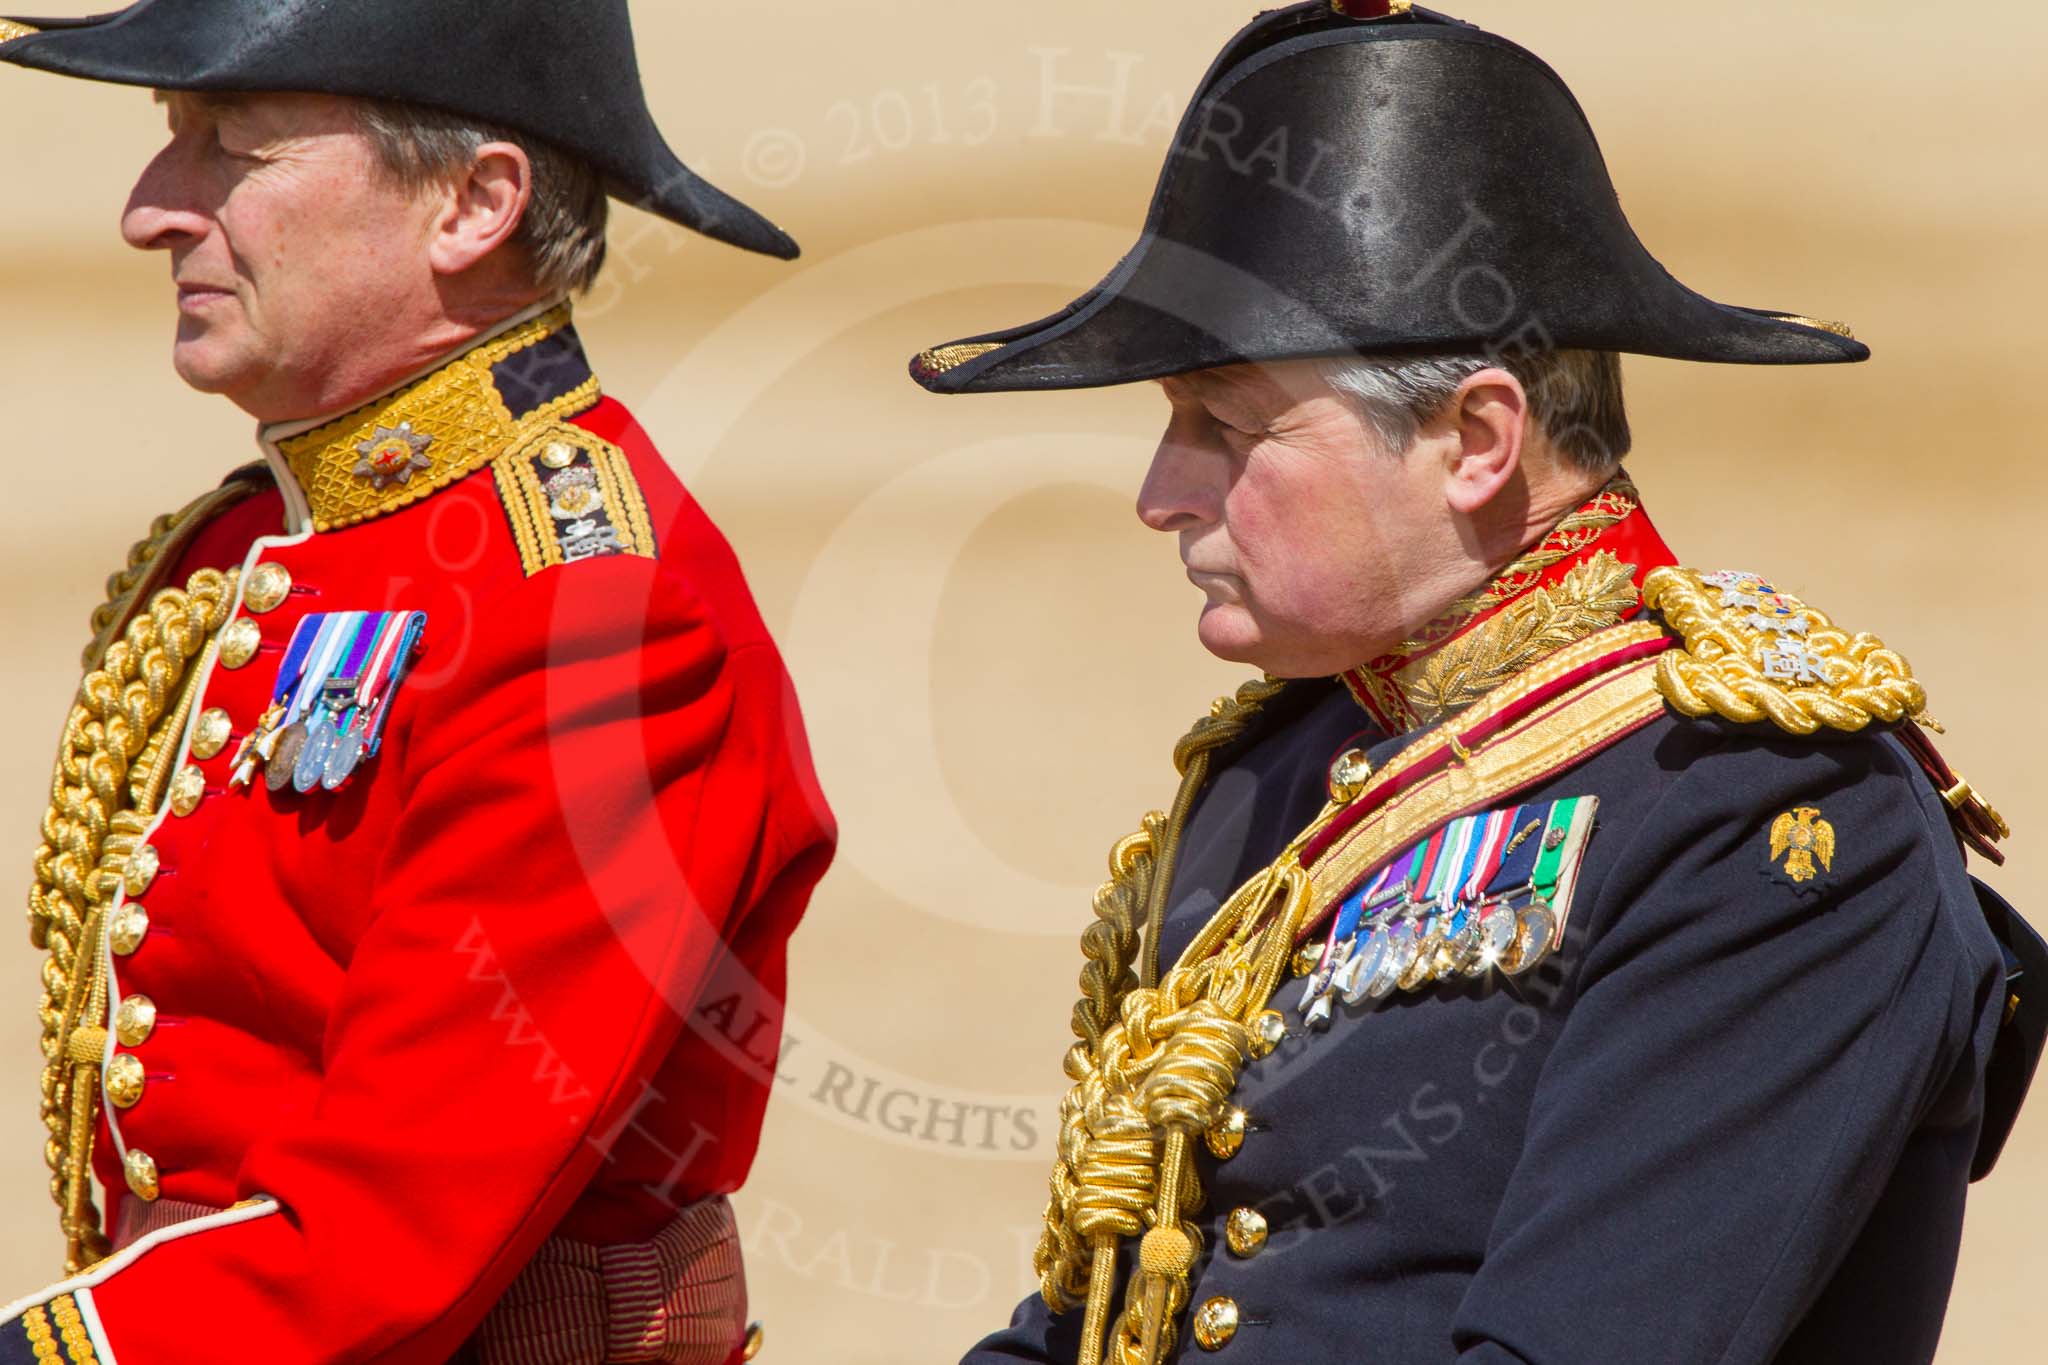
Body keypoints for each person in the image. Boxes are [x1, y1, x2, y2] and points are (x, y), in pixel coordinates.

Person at [909, 3, 2043, 1363]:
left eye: (1226, 424)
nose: (1162, 494)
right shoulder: (1274, 774)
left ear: (1475, 438)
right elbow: (1094, 1321)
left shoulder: (1765, 814)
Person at [0, 3, 831, 1362]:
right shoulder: (242, 545)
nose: (151, 211)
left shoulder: (597, 617)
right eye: (172, 142)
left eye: (233, 152)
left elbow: (388, 1233)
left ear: (474, 203)